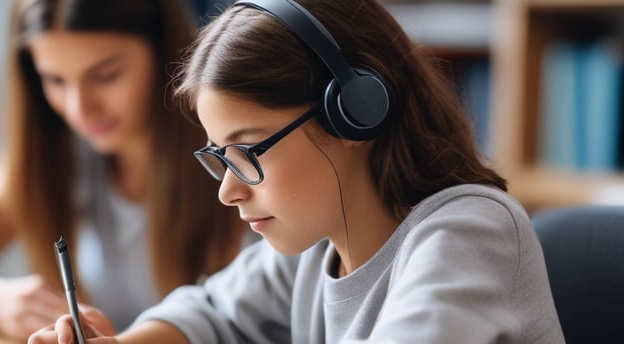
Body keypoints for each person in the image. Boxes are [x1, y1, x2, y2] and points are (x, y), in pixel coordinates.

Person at [29, 0, 565, 343]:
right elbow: (211, 312)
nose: (228, 191)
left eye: (249, 150)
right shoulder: (315, 247)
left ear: (354, 113)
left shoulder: (469, 231)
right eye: (218, 155)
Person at [0, 0, 247, 341]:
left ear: (166, 54)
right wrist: (8, 304)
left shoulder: (233, 161)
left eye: (106, 75)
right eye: (55, 80)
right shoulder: (64, 154)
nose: (80, 109)